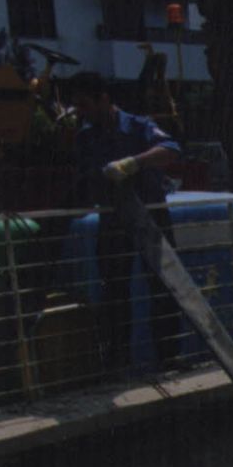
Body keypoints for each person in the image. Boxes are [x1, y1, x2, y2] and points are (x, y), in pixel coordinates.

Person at [72, 72, 181, 372]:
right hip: (113, 218)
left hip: (151, 216)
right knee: (115, 293)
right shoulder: (86, 136)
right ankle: (118, 364)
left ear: (104, 99)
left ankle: (168, 359)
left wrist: (134, 162)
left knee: (164, 287)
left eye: (85, 105)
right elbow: (82, 179)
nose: (81, 113)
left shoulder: (138, 126)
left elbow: (170, 150)